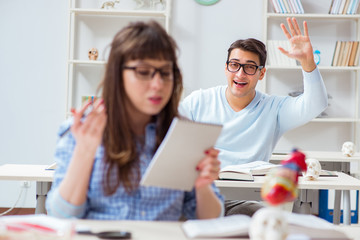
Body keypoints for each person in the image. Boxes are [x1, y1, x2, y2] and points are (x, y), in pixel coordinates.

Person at [46, 21, 224, 220]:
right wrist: (84, 152)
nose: (158, 84)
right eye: (143, 72)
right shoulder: (82, 131)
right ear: (117, 74)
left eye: (165, 73)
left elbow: (210, 221)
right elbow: (61, 216)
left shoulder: (183, 135)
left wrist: (203, 185)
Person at [179, 17, 328, 216]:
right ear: (226, 68)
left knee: (264, 218)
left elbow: (315, 104)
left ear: (261, 73)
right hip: (196, 196)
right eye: (234, 65)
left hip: (240, 201)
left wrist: (308, 63)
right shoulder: (199, 101)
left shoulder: (274, 108)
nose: (240, 74)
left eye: (250, 67)